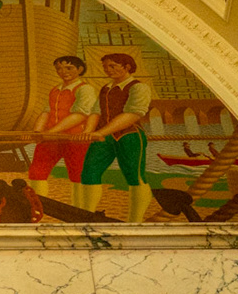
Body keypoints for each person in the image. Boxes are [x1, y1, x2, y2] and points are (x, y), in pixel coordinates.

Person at [76, 52, 153, 221]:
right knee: (89, 172)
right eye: (105, 67)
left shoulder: (139, 87)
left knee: (134, 176)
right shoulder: (106, 88)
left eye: (112, 66)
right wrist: (89, 132)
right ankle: (86, 215)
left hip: (129, 136)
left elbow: (132, 114)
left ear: (126, 67)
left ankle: (135, 220)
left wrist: (100, 132)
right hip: (103, 137)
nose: (107, 70)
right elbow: (96, 112)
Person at [27, 55, 99, 202]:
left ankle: (79, 209)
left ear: (79, 69)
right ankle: (40, 205)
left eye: (68, 68)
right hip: (51, 138)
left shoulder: (85, 89)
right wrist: (37, 132)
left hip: (75, 138)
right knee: (37, 171)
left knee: (77, 174)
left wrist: (50, 132)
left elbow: (80, 115)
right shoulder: (55, 90)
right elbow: (46, 112)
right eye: (59, 68)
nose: (63, 71)